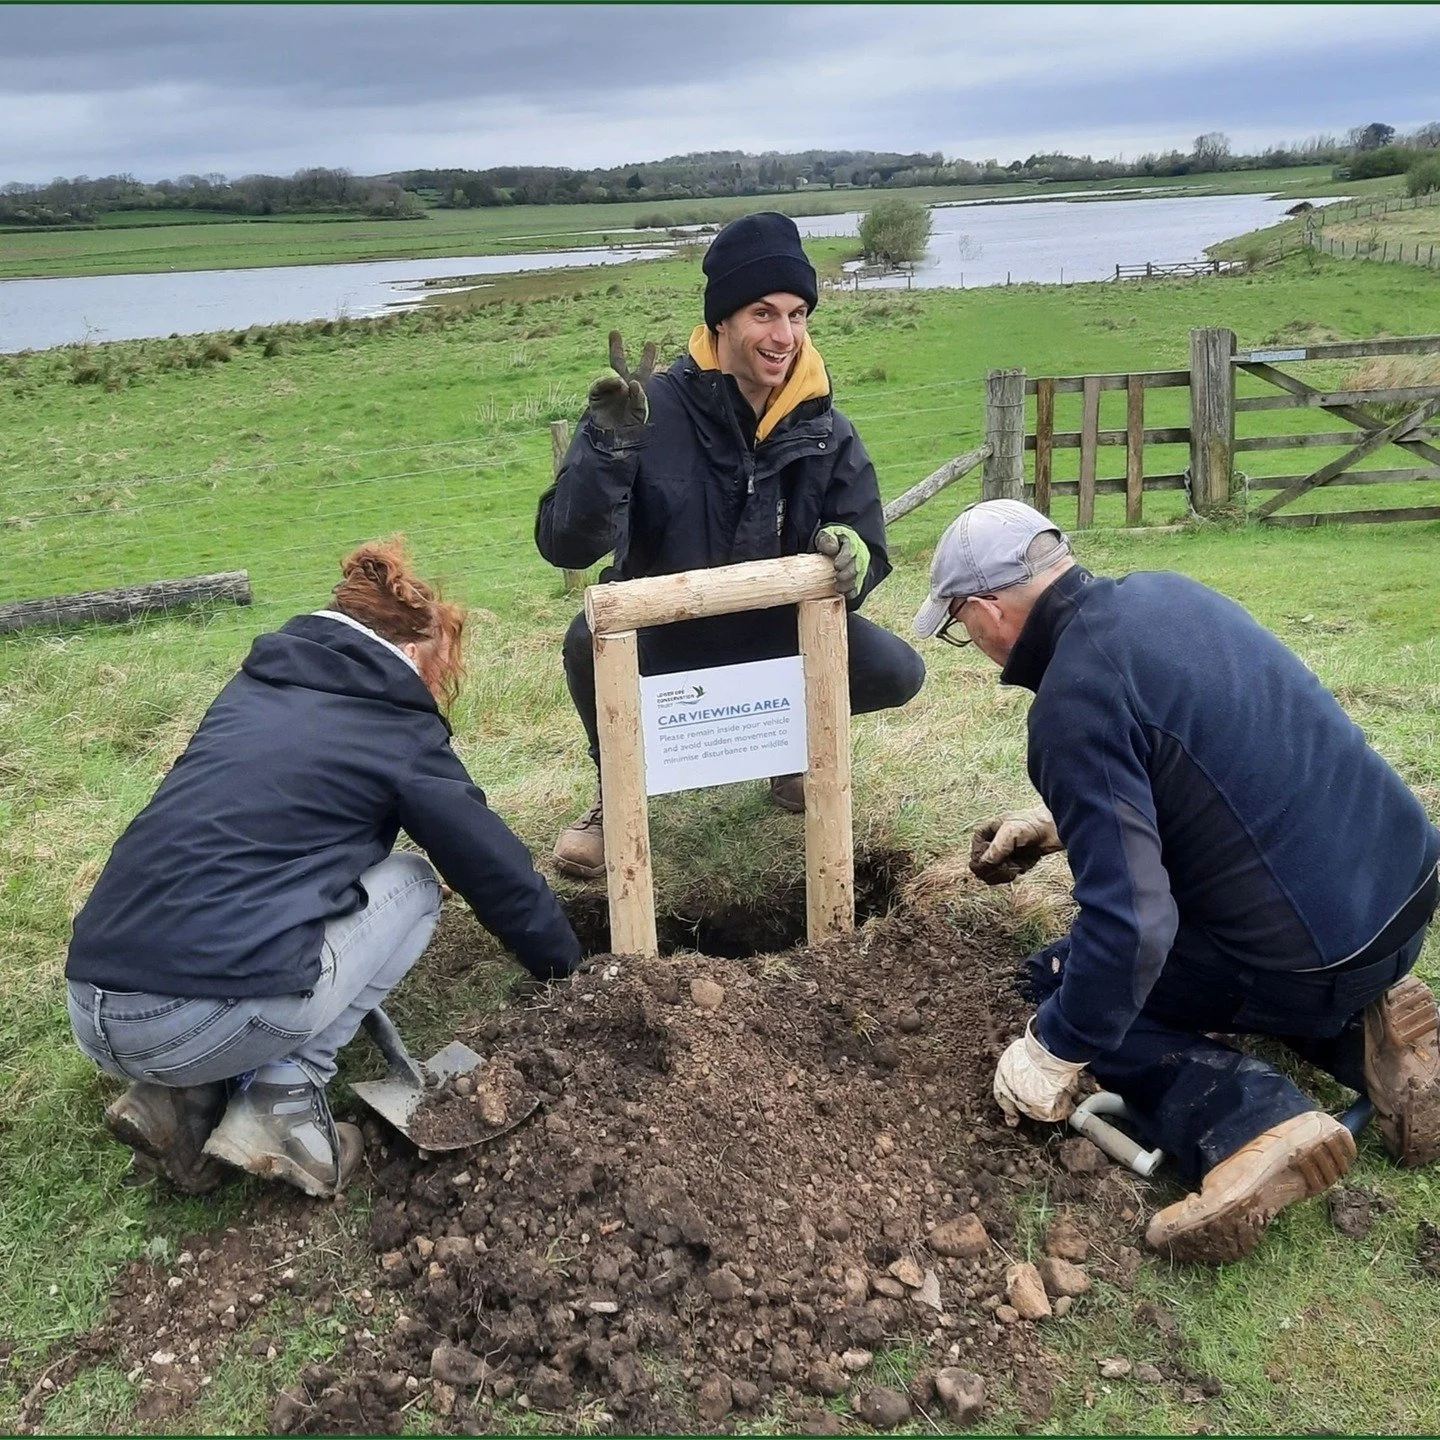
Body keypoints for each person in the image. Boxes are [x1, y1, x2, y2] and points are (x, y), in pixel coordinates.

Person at [913, 499, 1440, 1265]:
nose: (976, 645)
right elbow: (1225, 760)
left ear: (989, 607)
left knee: (1069, 978)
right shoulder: (1168, 594)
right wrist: (1064, 820)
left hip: (1310, 950)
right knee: (1228, 936)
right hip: (1398, 889)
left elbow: (1132, 927)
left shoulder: (1070, 703)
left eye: (961, 625)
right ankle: (1366, 1039)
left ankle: (1252, 1121)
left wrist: (1055, 1048)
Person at [66, 540, 581, 1199]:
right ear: (414, 650)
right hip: (191, 1016)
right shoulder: (393, 723)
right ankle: (284, 1099)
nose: (435, 692)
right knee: (417, 885)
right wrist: (571, 973)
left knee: (237, 919)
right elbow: (494, 873)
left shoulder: (255, 688)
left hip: (91, 1001)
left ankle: (179, 1097)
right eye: (438, 671)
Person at [536, 211, 926, 879]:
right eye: (763, 314)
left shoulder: (825, 426)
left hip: (777, 631)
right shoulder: (644, 410)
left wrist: (854, 553)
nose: (784, 336)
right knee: (584, 642)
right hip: (667, 636)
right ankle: (619, 795)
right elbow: (567, 546)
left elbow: (866, 542)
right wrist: (606, 450)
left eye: (798, 314)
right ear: (721, 320)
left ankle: (788, 754)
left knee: (898, 671)